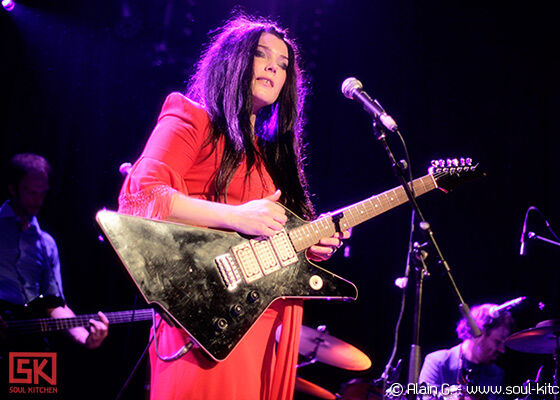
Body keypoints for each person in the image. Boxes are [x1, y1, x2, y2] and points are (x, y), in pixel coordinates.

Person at [117, 14, 349, 400]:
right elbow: (140, 198)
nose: (275, 66)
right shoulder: (190, 117)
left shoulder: (270, 156)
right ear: (233, 61)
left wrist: (308, 244)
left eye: (284, 63)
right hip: (206, 318)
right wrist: (238, 216)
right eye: (262, 55)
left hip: (262, 320)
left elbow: (261, 236)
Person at [0, 153, 109, 349]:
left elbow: (53, 303)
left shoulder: (46, 243)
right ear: (12, 189)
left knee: (39, 378)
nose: (38, 200)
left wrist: (85, 338)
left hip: (30, 343)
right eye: (31, 192)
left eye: (42, 193)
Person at [419, 303, 513, 399]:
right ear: (479, 333)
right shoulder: (437, 362)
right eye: (497, 342)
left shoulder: (496, 374)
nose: (502, 350)